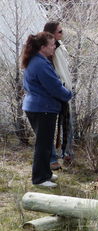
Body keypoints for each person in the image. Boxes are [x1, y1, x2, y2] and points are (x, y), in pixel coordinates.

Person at [21, 32, 72, 188]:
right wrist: (68, 94)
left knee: (45, 143)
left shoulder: (36, 60)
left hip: (38, 106)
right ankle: (40, 178)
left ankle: (46, 174)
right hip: (42, 108)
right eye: (51, 44)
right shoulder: (40, 64)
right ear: (42, 47)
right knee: (43, 145)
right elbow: (54, 87)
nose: (53, 46)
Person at [43, 21, 73, 168]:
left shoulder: (59, 48)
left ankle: (65, 154)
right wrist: (62, 89)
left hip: (63, 92)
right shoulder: (48, 52)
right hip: (55, 95)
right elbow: (52, 75)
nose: (62, 34)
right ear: (51, 34)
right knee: (53, 128)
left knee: (65, 124)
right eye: (60, 32)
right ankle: (54, 158)